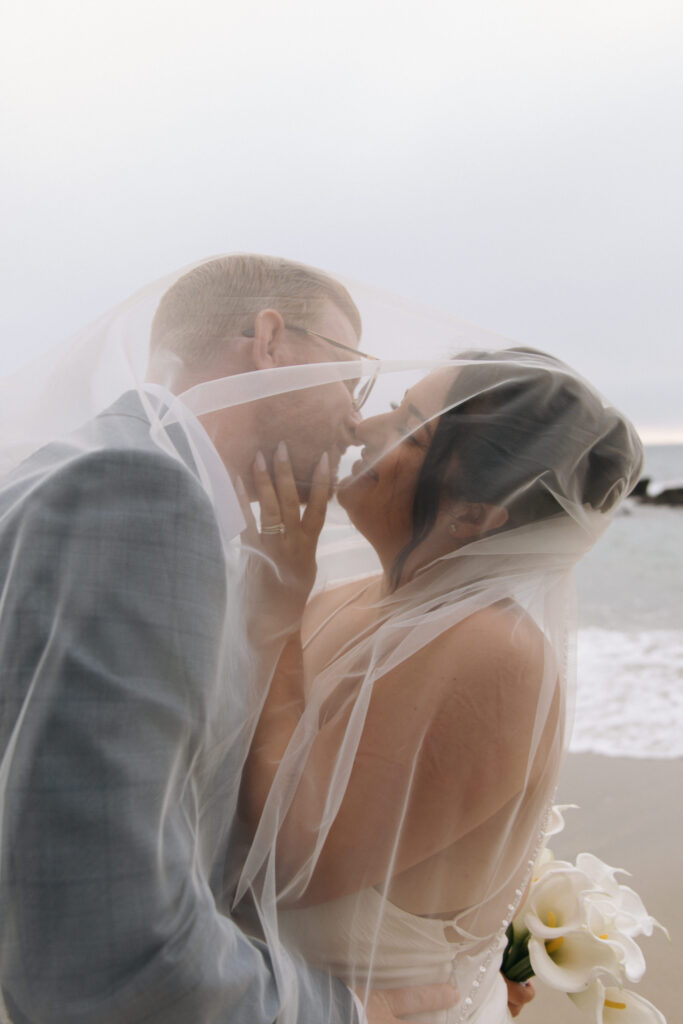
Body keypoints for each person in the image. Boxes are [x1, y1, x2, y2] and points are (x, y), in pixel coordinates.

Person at [0, 255, 459, 1024]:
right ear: (271, 341)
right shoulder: (138, 497)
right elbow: (99, 955)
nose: (356, 418)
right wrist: (352, 1011)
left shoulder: (93, 470)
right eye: (353, 377)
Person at [238, 349, 644, 1023]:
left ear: (476, 516)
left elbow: (290, 860)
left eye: (410, 428)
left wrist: (275, 606)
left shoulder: (492, 652)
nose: (365, 426)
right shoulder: (345, 596)